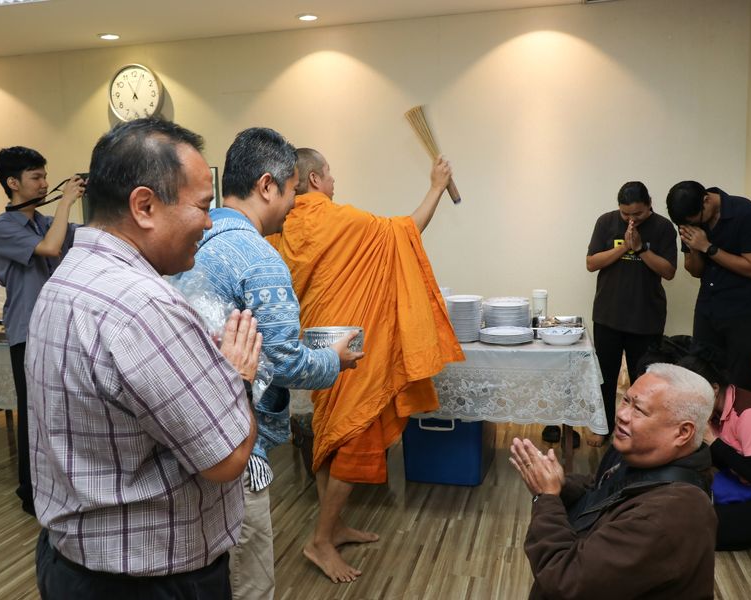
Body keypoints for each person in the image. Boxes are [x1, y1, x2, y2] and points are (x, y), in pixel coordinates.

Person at [26, 118, 261, 600]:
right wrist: (236, 376)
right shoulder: (143, 305)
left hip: (72, 564)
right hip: (147, 580)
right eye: (203, 206)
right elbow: (228, 458)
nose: (209, 223)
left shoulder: (68, 277)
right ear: (145, 206)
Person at [172, 127, 363, 600]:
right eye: (294, 191)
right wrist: (334, 360)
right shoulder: (259, 257)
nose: (296, 204)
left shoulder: (196, 239)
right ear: (266, 186)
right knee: (251, 577)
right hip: (236, 442)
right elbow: (284, 362)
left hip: (187, 435)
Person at [269, 148, 463, 583]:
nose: (334, 181)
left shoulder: (281, 225)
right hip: (351, 345)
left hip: (316, 344)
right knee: (354, 437)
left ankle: (334, 526)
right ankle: (320, 541)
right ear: (315, 179)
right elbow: (408, 230)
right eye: (330, 173)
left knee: (330, 436)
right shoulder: (341, 220)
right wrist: (436, 186)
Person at [511, 363, 716, 600]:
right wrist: (560, 484)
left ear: (682, 433)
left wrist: (545, 498)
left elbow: (564, 580)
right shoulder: (642, 456)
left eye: (639, 410)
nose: (621, 414)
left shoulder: (669, 515)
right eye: (626, 400)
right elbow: (604, 489)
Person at [642, 336, 751, 550]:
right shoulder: (715, 412)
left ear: (714, 389)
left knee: (697, 529)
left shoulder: (749, 412)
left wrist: (712, 441)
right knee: (680, 510)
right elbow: (724, 461)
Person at [0, 146, 85, 516]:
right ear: (13, 183)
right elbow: (50, 248)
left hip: (58, 330)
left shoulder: (45, 221)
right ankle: (30, 492)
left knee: (60, 411)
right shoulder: (4, 226)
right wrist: (67, 203)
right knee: (32, 414)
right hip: (27, 332)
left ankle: (58, 486)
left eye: (45, 176)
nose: (45, 183)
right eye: (36, 177)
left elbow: (87, 238)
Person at [584, 181, 677, 446]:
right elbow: (591, 263)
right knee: (605, 376)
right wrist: (624, 247)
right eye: (625, 214)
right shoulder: (606, 221)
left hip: (646, 317)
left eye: (637, 213)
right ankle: (603, 427)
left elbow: (668, 271)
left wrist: (641, 248)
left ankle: (638, 432)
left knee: (643, 381)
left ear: (649, 205)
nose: (631, 219)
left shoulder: (663, 227)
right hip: (608, 314)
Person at [666, 181, 751, 392]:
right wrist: (695, 249)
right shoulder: (688, 218)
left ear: (706, 200)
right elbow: (695, 270)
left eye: (695, 220)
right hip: (708, 307)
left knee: (740, 380)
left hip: (744, 310)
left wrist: (707, 247)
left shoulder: (746, 213)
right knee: (701, 376)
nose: (692, 225)